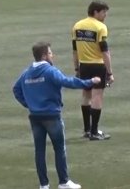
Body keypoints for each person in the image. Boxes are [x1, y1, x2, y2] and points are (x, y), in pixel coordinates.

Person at [13, 41, 98, 189]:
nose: (53, 55)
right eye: (51, 53)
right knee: (59, 148)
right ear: (45, 55)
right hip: (51, 115)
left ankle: (44, 185)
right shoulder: (50, 71)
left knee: (39, 151)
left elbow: (16, 89)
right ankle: (63, 181)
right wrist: (89, 82)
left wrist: (29, 104)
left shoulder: (27, 73)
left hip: (35, 116)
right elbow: (67, 82)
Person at [72, 0, 114, 141]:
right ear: (95, 12)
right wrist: (110, 73)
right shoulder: (100, 27)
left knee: (86, 96)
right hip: (97, 65)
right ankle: (95, 132)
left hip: (84, 65)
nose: (105, 15)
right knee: (97, 97)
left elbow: (75, 50)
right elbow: (105, 52)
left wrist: (77, 67)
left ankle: (87, 129)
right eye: (103, 12)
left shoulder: (77, 26)